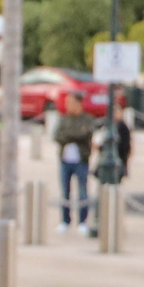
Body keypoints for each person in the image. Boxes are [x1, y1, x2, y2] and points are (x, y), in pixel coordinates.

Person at [55, 92, 96, 235]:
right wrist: (76, 134)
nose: (68, 106)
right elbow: (58, 136)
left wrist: (73, 135)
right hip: (65, 161)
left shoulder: (87, 119)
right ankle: (65, 220)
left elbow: (86, 134)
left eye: (71, 103)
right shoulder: (63, 119)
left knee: (82, 192)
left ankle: (82, 221)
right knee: (65, 191)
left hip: (81, 161)